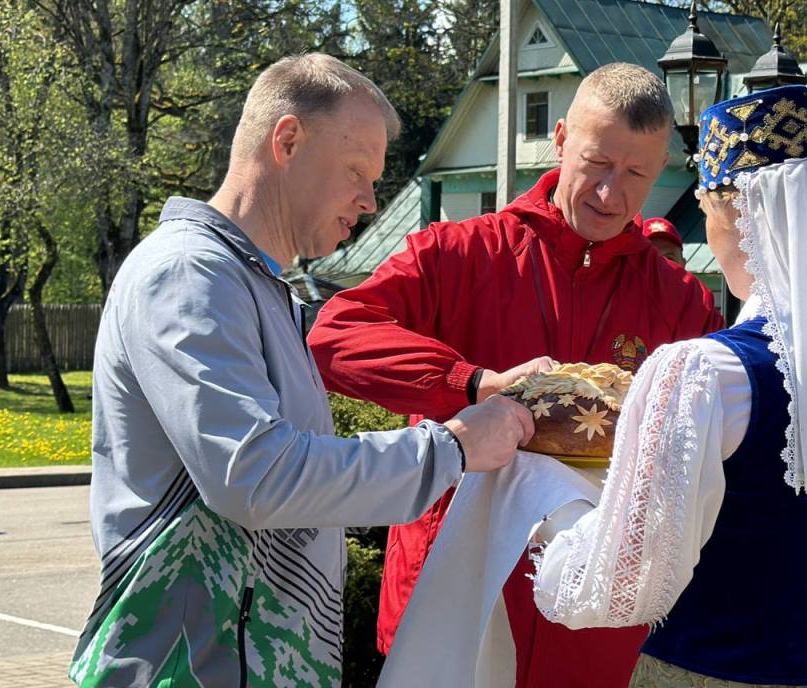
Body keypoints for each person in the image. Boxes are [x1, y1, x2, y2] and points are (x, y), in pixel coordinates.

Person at [68, 53, 533, 688]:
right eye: (356, 173)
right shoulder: (188, 274)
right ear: (286, 140)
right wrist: (451, 447)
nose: (370, 202)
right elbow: (257, 477)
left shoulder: (256, 287)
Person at [307, 62, 725, 687]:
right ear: (559, 139)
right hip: (452, 593)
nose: (611, 194)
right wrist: (473, 384)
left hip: (592, 623)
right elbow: (335, 336)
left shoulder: (680, 301)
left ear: (661, 168)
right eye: (597, 164)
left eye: (636, 174)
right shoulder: (455, 253)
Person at [532, 86, 807, 687]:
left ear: (739, 218)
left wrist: (550, 503)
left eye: (707, 209)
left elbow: (620, 586)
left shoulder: (704, 372)